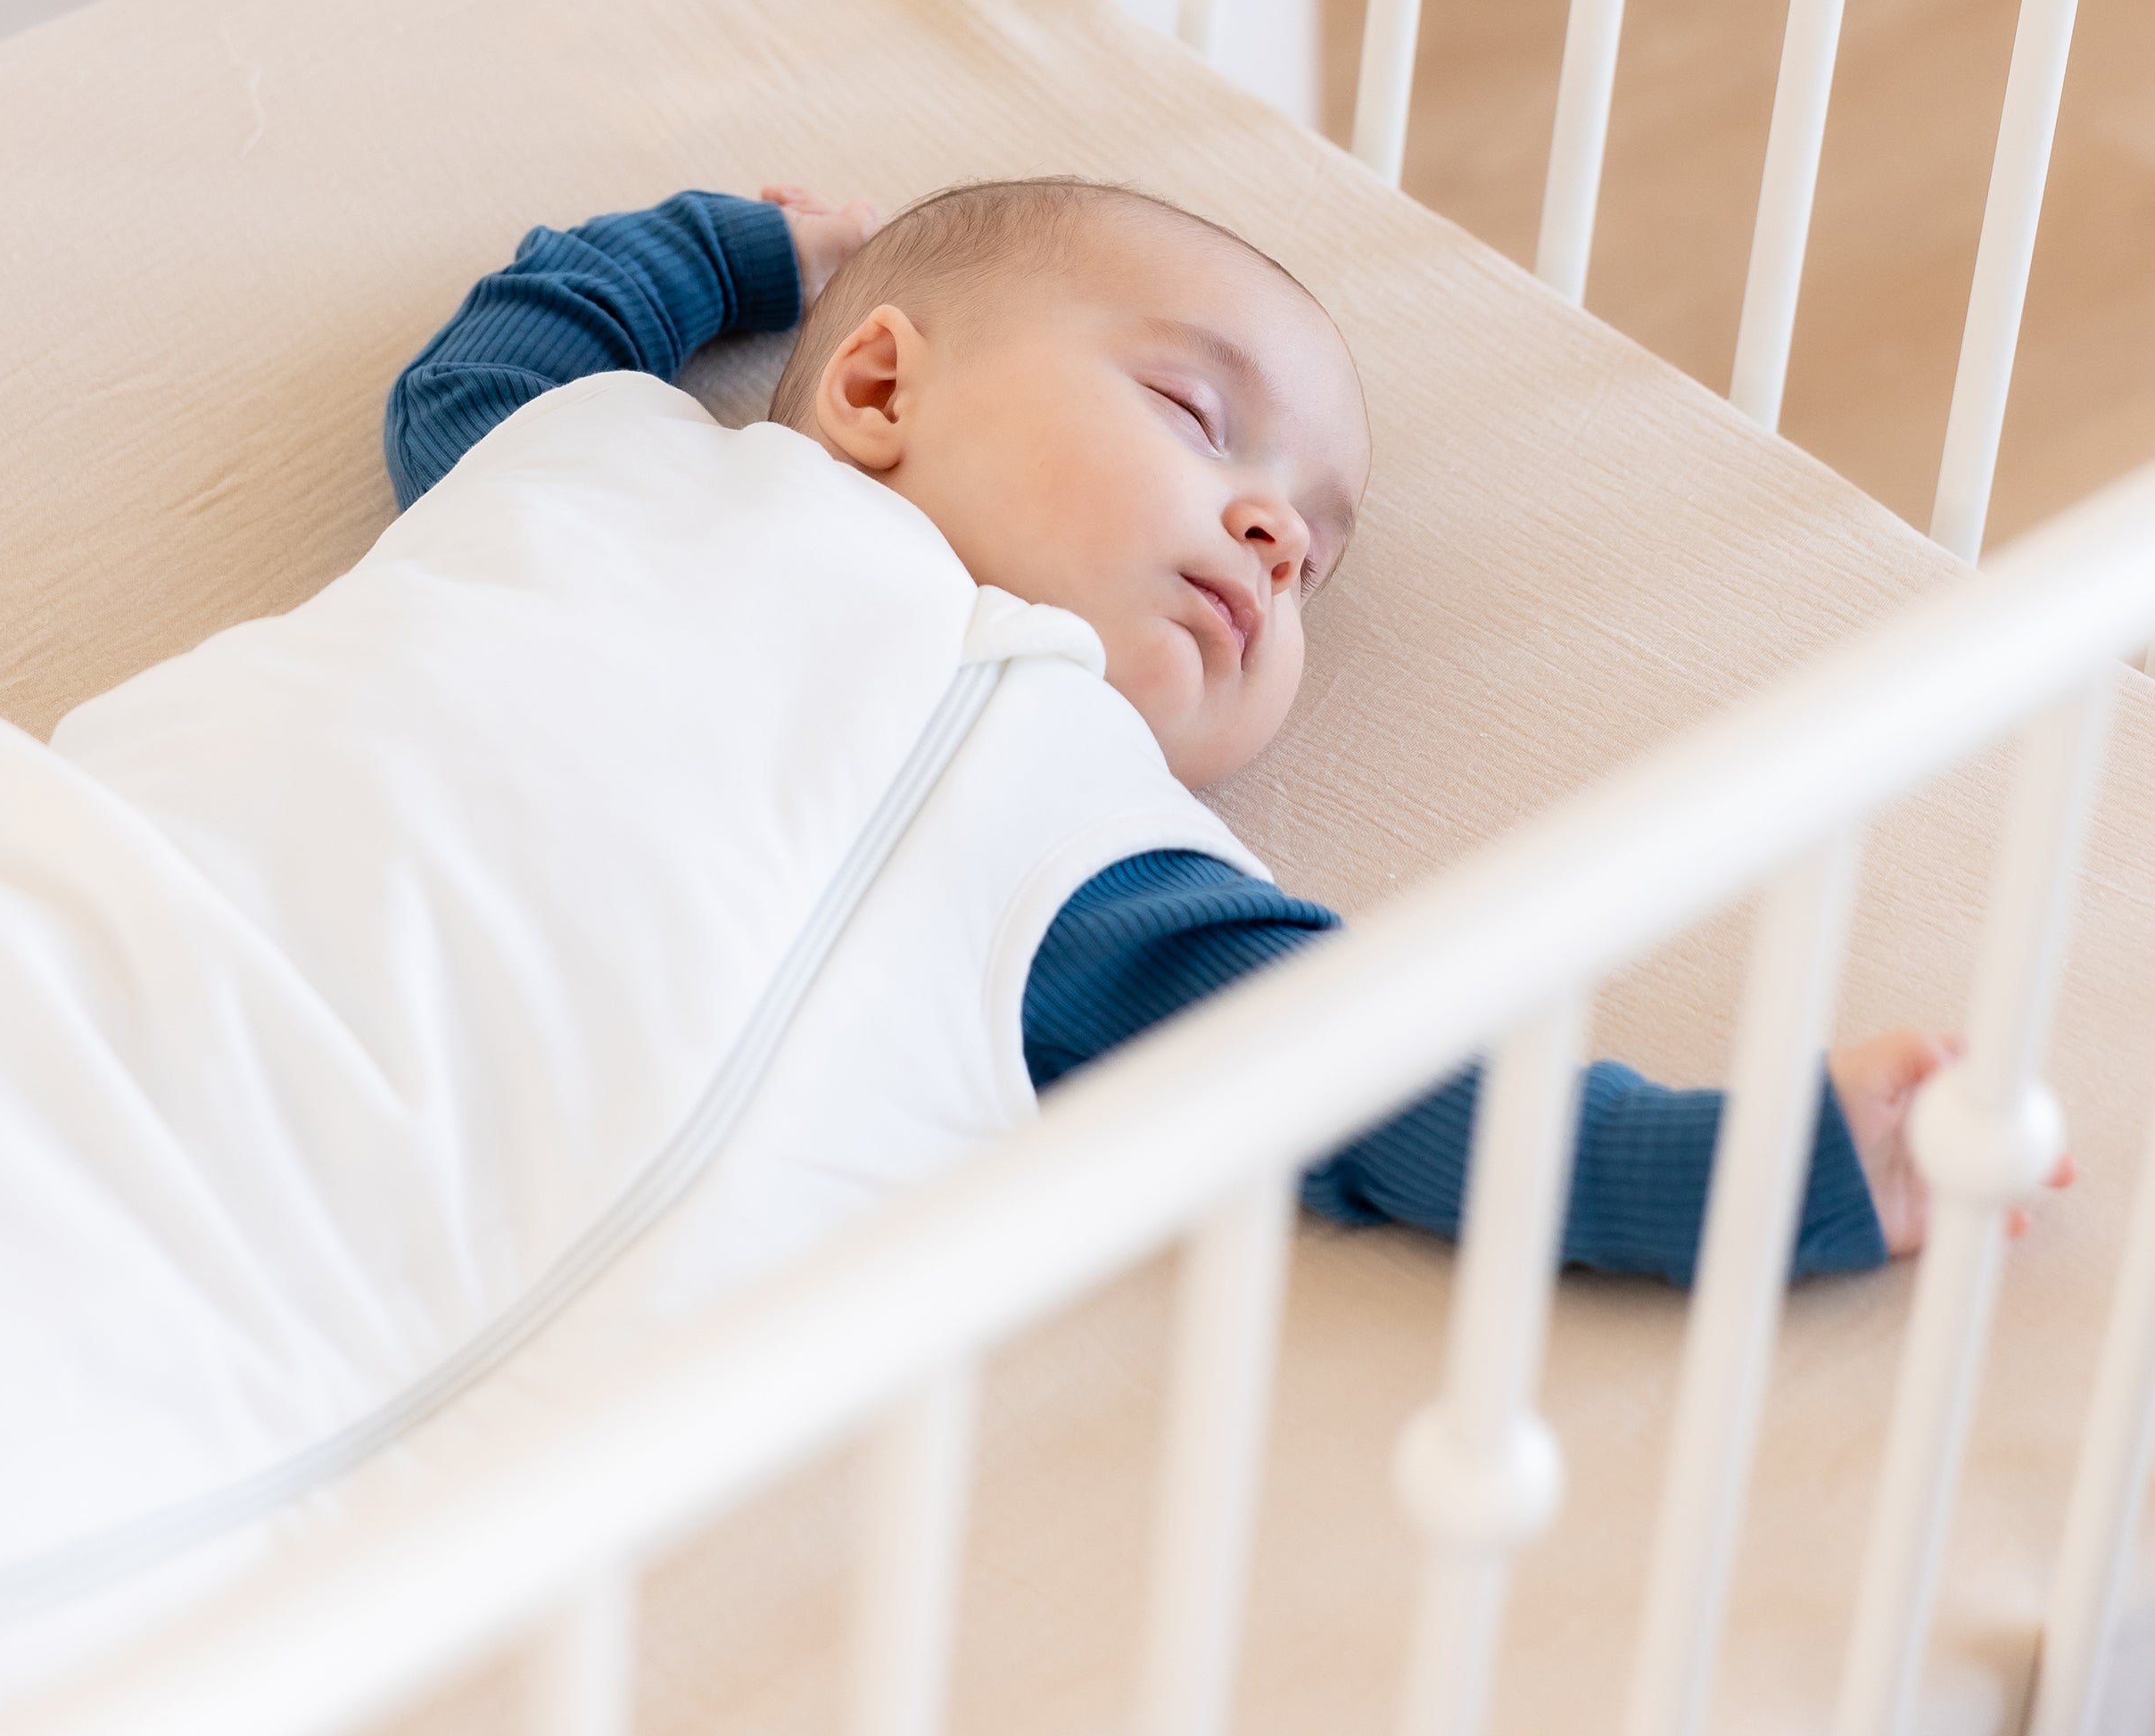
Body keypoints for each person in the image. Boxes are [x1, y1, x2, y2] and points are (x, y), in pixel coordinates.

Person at [384, 178, 2070, 1287]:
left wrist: (1772, 1171)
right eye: (1199, 418)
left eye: (1312, 552)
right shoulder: (623, 481)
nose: (1272, 533)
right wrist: (754, 247)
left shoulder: (1063, 826)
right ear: (880, 394)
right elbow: (503, 361)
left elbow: (1375, 1082)